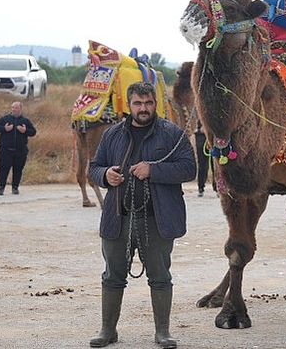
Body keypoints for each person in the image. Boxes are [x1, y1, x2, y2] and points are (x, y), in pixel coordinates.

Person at [88, 82, 196, 348]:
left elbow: (189, 169)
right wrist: (105, 175)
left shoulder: (172, 134)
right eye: (138, 103)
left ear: (155, 104)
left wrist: (153, 171)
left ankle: (162, 333)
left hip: (156, 221)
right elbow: (94, 168)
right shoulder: (112, 134)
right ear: (129, 105)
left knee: (160, 278)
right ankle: (108, 331)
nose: (143, 108)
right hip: (118, 218)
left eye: (148, 103)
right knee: (112, 277)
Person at [0, 101, 37, 195]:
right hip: (6, 150)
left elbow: (33, 132)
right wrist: (4, 129)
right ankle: (1, 188)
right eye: (12, 107)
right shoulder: (5, 119)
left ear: (20, 109)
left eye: (16, 108)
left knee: (18, 170)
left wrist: (25, 131)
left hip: (20, 150)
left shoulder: (25, 121)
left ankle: (15, 187)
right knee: (4, 169)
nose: (14, 109)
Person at [194, 120, 215, 197]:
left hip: (214, 133)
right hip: (201, 134)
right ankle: (201, 187)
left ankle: (217, 187)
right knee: (202, 164)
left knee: (216, 164)